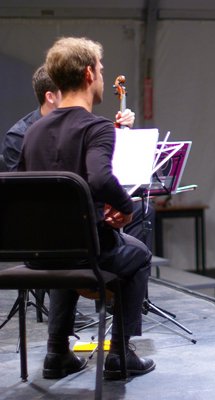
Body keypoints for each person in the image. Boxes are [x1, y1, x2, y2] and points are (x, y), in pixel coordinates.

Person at [18, 37, 155, 380]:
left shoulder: (33, 131)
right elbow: (99, 176)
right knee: (137, 253)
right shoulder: (96, 127)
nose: (104, 78)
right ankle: (121, 355)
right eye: (102, 70)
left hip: (39, 254)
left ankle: (57, 352)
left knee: (66, 242)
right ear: (89, 73)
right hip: (84, 252)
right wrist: (124, 208)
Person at [3, 65, 135, 172]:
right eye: (66, 91)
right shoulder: (18, 136)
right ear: (50, 97)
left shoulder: (84, 125)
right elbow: (22, 190)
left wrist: (122, 130)